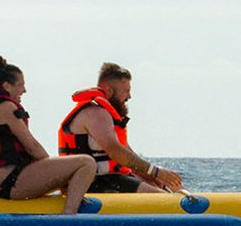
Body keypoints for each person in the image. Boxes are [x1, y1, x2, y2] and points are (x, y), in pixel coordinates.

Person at [0, 56, 96, 213]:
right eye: (21, 85)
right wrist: (56, 170)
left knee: (70, 169)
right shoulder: (5, 107)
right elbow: (32, 147)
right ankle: (69, 217)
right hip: (12, 182)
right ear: (7, 86)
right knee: (86, 163)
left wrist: (60, 174)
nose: (24, 90)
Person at [57, 62, 184, 193]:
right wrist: (156, 171)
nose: (129, 96)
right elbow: (115, 151)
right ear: (109, 90)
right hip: (92, 182)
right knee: (160, 197)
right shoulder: (96, 114)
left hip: (111, 179)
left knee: (168, 189)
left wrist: (155, 176)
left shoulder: (110, 118)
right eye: (126, 91)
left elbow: (129, 159)